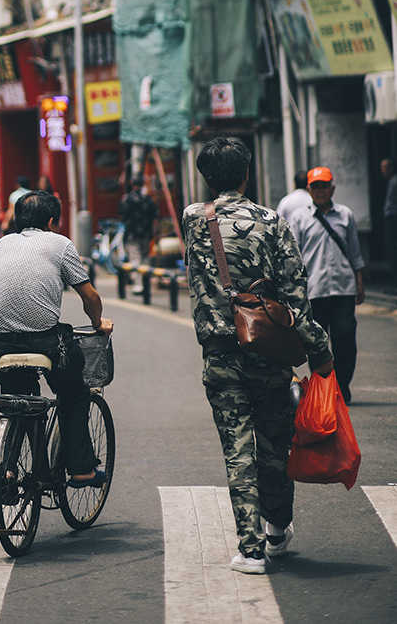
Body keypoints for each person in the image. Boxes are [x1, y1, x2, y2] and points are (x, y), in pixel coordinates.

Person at [182, 136, 332, 575]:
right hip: (269, 353)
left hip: (220, 356)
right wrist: (320, 351)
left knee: (238, 452)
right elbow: (296, 298)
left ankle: (250, 552)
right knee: (274, 447)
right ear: (247, 174)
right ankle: (277, 531)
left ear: (207, 178)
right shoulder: (271, 222)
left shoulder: (193, 218)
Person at [0, 189, 114, 485]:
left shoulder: (2, 244)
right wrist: (98, 323)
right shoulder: (60, 244)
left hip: (3, 343)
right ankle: (81, 468)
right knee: (74, 393)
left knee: (16, 400)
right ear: (52, 221)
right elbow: (90, 296)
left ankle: (8, 470)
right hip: (45, 341)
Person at [287, 167, 365, 403]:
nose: (320, 190)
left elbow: (354, 252)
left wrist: (359, 280)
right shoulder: (299, 218)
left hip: (343, 288)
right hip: (314, 290)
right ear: (309, 190)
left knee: (345, 338)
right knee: (317, 343)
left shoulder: (345, 215)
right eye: (316, 186)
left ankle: (342, 385)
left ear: (333, 188)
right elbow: (294, 256)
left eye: (324, 186)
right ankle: (324, 388)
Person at [118, 176, 157, 294]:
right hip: (146, 233)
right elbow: (154, 215)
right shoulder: (148, 198)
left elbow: (121, 214)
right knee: (145, 257)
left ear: (131, 184)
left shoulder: (127, 199)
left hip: (132, 233)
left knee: (135, 257)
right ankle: (146, 283)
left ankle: (138, 285)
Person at [381, 158, 397, 292]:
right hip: (391, 218)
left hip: (393, 219)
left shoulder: (394, 182)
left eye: (384, 167)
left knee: (393, 250)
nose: (382, 171)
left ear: (391, 169)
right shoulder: (392, 182)